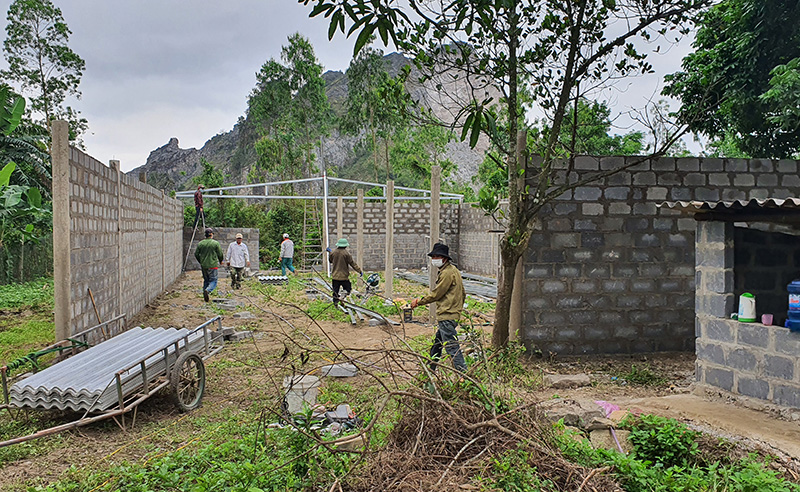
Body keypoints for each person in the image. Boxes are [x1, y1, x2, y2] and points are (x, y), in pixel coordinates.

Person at [411, 243, 467, 373]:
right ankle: (430, 370)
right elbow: (463, 293)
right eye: (433, 256)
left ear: (445, 258)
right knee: (437, 344)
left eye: (437, 256)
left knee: (452, 348)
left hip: (447, 315)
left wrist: (419, 302)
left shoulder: (447, 273)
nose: (434, 259)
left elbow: (437, 294)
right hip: (452, 315)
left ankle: (464, 375)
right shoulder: (454, 271)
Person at [328, 238, 362, 307]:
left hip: (335, 276)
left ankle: (335, 304)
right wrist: (359, 271)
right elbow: (352, 263)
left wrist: (330, 253)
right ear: (345, 246)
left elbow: (330, 261)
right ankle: (342, 297)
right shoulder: (346, 254)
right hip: (344, 277)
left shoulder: (333, 252)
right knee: (348, 289)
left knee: (335, 292)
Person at [194, 228, 224, 302]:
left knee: (206, 280)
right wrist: (221, 261)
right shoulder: (215, 243)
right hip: (213, 265)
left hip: (204, 265)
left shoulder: (201, 243)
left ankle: (205, 294)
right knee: (213, 280)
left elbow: (196, 254)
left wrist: (201, 261)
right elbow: (220, 254)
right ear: (211, 234)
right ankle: (208, 290)